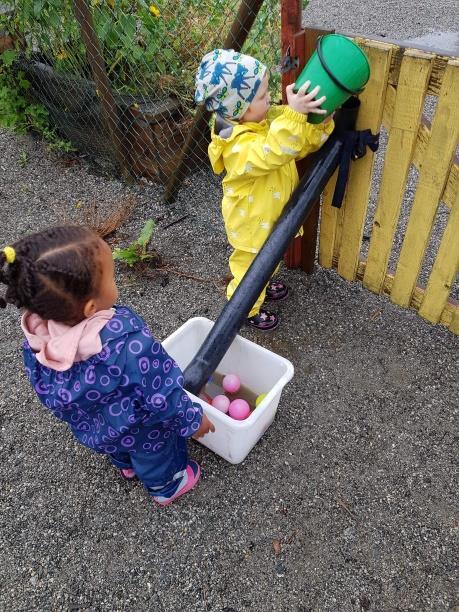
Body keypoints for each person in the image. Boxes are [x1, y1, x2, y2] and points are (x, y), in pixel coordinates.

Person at [0, 226, 214, 506]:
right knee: (156, 452)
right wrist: (194, 421)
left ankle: (126, 465)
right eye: (112, 277)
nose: (117, 283)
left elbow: (45, 389)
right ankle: (166, 486)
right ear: (89, 308)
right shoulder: (126, 344)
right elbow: (162, 394)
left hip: (97, 426)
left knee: (120, 447)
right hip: (141, 427)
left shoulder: (37, 340)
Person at [195, 49, 335, 330]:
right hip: (250, 223)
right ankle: (245, 307)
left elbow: (295, 141)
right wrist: (295, 116)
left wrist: (320, 122)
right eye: (261, 96)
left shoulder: (262, 120)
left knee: (268, 261)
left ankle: (262, 285)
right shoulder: (237, 146)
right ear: (239, 109)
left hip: (266, 216)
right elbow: (276, 149)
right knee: (249, 270)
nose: (270, 97)